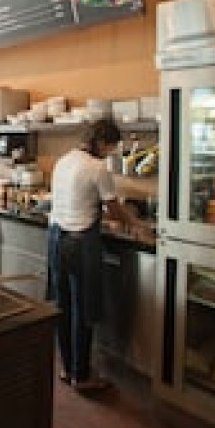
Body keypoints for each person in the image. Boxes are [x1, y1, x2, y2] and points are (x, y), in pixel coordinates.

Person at [48, 118, 154, 392]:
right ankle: (81, 375)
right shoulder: (97, 168)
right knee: (83, 309)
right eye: (111, 147)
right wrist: (138, 225)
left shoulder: (64, 161)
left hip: (56, 239)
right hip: (80, 243)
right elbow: (115, 211)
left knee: (63, 306)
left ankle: (68, 367)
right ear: (102, 142)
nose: (110, 153)